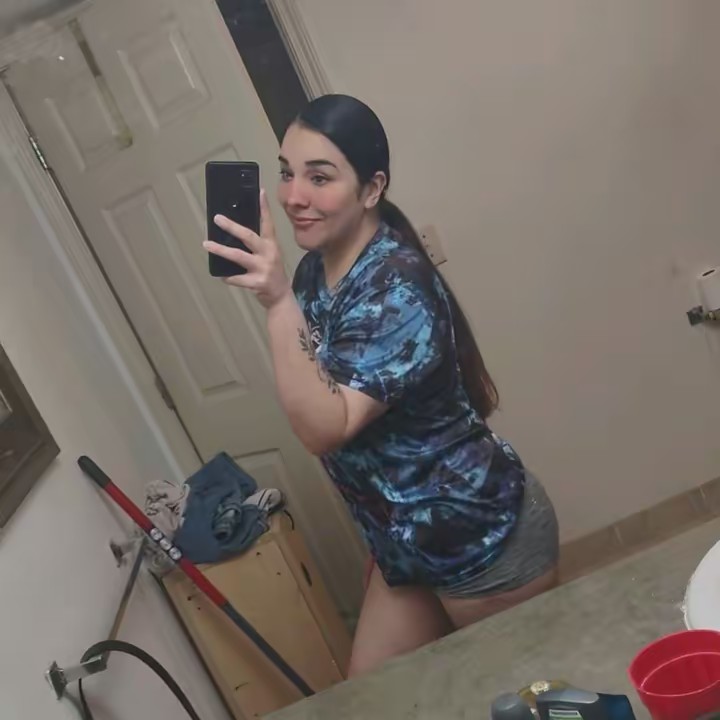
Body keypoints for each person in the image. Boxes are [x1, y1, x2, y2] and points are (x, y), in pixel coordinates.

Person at [204, 94, 559, 677]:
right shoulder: (314, 272)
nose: (294, 196)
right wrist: (382, 531)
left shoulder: (396, 286)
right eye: (287, 172)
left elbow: (327, 427)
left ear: (371, 189)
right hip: (407, 545)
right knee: (374, 695)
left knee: (523, 695)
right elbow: (323, 387)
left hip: (479, 540)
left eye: (320, 177)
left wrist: (277, 304)